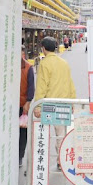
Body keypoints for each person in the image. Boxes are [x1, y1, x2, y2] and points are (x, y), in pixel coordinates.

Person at [33, 37, 76, 168]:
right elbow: (70, 84)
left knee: (43, 134)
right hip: (63, 104)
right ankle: (61, 160)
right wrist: (72, 102)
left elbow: (41, 86)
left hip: (48, 105)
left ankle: (41, 162)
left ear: (43, 48)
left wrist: (38, 106)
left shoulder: (44, 64)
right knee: (60, 135)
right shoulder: (64, 63)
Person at [19, 44, 35, 167]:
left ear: (22, 54)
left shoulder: (28, 68)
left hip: (22, 105)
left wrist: (28, 102)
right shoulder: (6, 66)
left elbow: (31, 87)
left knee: (22, 133)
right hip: (8, 106)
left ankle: (19, 156)